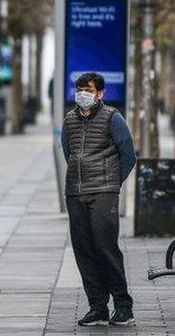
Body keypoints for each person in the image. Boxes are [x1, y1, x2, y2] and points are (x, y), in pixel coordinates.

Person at [61, 72, 137, 326]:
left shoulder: (113, 118)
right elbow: (68, 152)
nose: (83, 93)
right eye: (80, 89)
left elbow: (128, 154)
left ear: (100, 93)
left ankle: (123, 306)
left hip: (104, 192)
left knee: (105, 248)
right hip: (76, 192)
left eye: (89, 89)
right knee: (84, 250)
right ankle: (98, 307)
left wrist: (112, 184)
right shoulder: (70, 119)